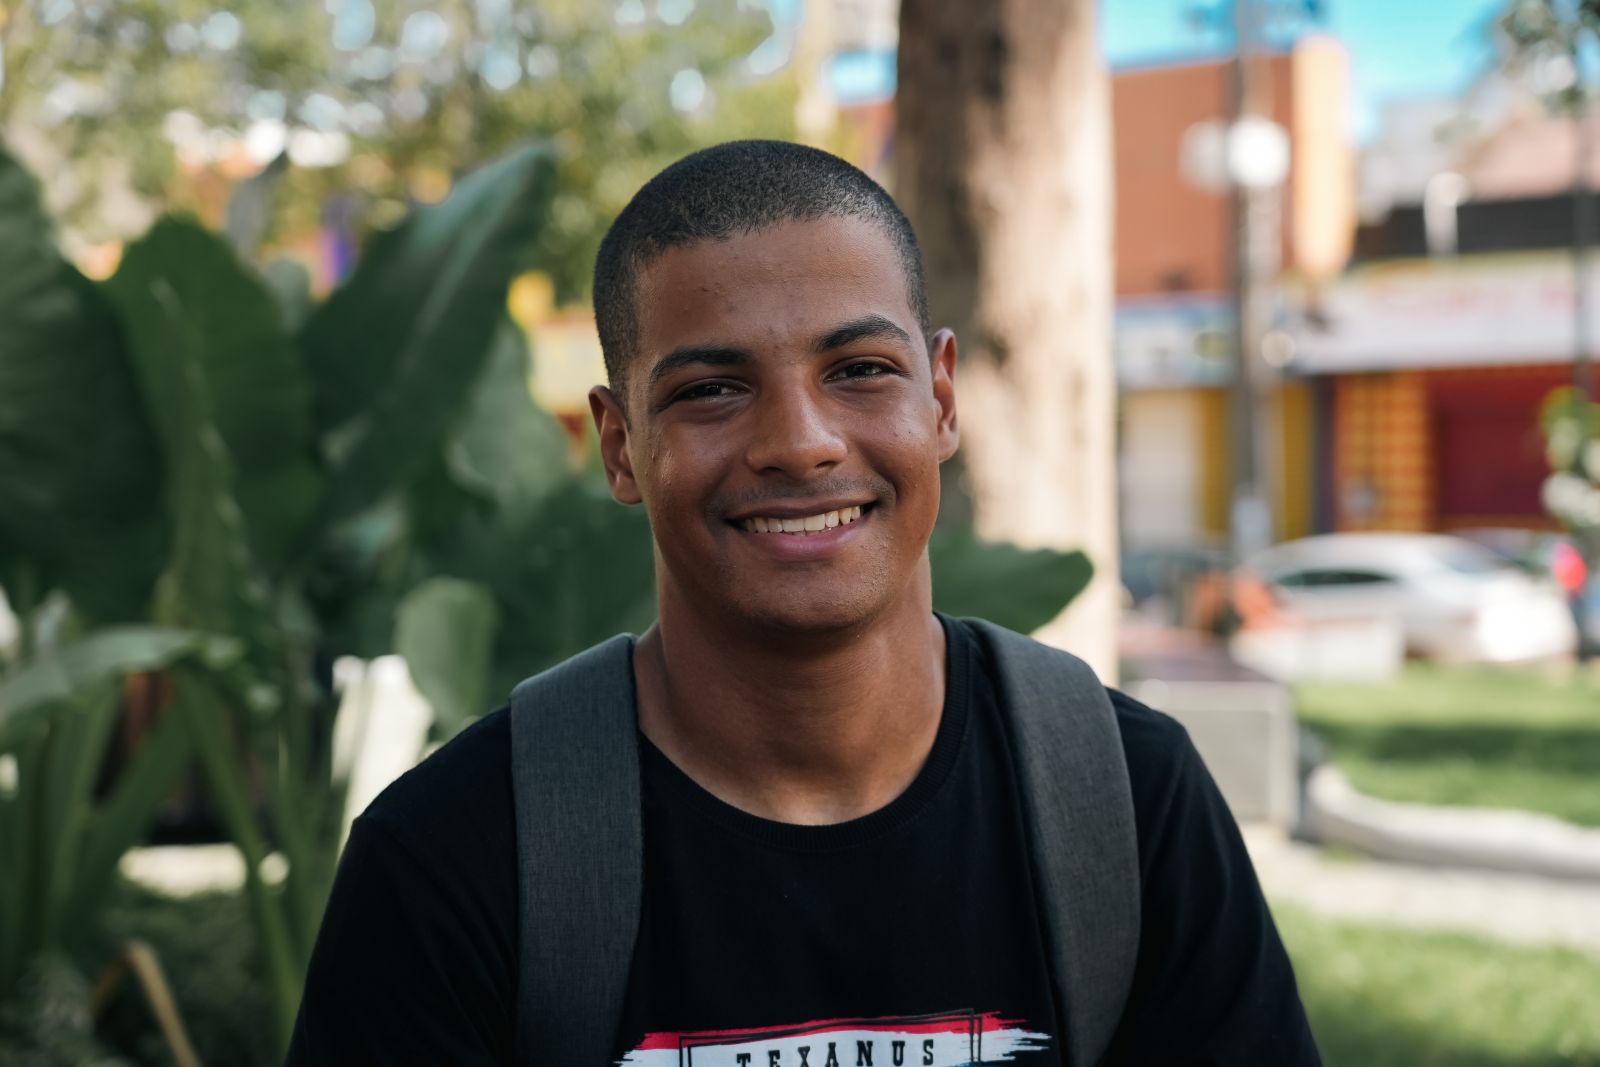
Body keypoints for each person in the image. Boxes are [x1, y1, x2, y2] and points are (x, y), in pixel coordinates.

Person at [286, 140, 1321, 1066]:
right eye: (711, 389)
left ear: (941, 398)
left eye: (860, 369)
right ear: (620, 444)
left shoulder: (1125, 800)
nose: (800, 441)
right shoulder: (454, 854)